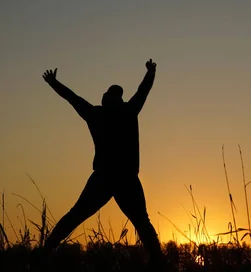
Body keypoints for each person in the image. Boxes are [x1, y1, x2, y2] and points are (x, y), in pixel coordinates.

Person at [41, 59, 163, 266]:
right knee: (142, 222)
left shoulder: (96, 114)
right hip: (124, 178)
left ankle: (44, 251)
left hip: (106, 177)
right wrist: (150, 72)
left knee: (76, 215)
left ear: (107, 99)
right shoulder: (128, 111)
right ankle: (158, 261)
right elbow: (144, 90)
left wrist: (54, 83)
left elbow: (73, 98)